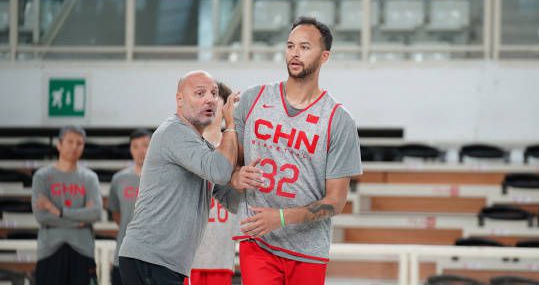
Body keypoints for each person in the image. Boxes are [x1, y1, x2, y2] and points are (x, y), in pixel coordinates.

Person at [232, 17, 363, 285]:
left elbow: (335, 200)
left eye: (305, 47)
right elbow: (233, 163)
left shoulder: (338, 119)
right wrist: (234, 175)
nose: (295, 53)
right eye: (290, 46)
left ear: (324, 56)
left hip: (308, 250)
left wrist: (281, 218)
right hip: (258, 242)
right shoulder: (253, 99)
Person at [118, 70, 241, 285]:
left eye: (213, 93)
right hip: (151, 259)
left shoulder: (201, 145)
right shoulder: (174, 131)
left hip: (165, 262)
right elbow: (220, 171)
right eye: (200, 93)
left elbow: (232, 200)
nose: (210, 99)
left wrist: (243, 179)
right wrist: (230, 125)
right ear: (180, 99)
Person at [32, 125, 103, 285]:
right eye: (70, 142)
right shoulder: (42, 177)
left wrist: (58, 211)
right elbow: (41, 217)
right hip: (50, 250)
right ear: (59, 144)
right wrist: (80, 219)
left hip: (83, 250)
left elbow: (96, 213)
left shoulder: (90, 177)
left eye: (79, 143)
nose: (74, 147)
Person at [189, 82, 239, 285]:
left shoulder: (236, 150)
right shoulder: (186, 147)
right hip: (186, 256)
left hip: (220, 255)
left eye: (214, 100)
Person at [107, 128, 151, 285]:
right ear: (130, 149)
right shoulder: (119, 179)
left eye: (145, 145)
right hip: (124, 254)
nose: (141, 151)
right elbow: (117, 215)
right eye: (136, 146)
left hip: (154, 256)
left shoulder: (162, 178)